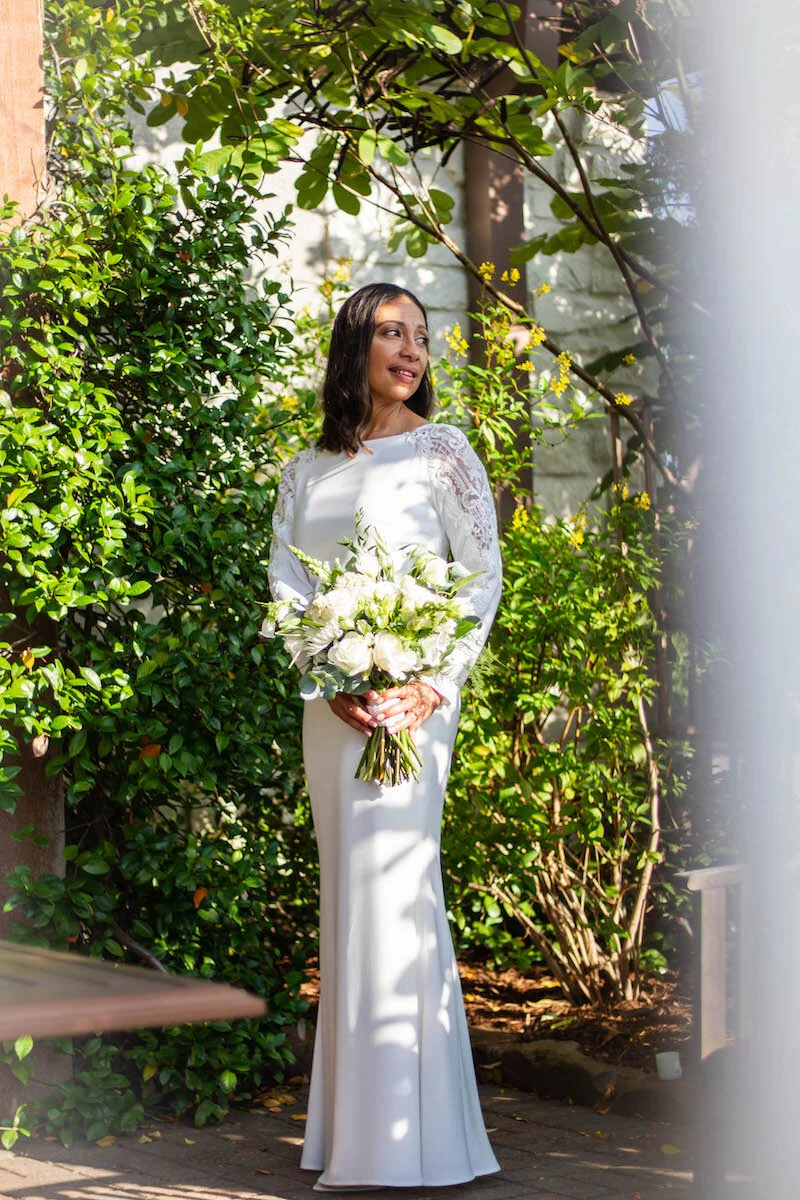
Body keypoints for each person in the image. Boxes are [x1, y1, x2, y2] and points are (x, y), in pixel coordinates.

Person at [267, 282, 503, 1191]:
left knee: (400, 894)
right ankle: (352, 1139)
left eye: (421, 335)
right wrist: (326, 677)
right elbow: (289, 586)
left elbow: (478, 578)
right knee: (348, 903)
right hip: (334, 713)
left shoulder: (445, 451)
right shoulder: (304, 469)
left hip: (414, 708)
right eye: (391, 333)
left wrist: (431, 683)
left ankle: (423, 1143)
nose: (411, 349)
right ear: (354, 347)